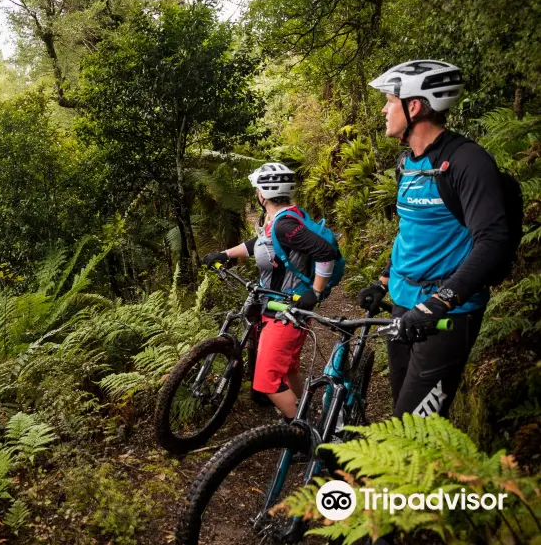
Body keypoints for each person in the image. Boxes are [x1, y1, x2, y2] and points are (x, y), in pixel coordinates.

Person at [357, 59, 509, 419]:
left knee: (413, 430)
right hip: (404, 307)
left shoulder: (467, 161)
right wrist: (383, 280)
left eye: (390, 100)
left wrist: (440, 302)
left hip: (446, 317)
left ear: (414, 106)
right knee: (403, 422)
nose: (383, 108)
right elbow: (411, 232)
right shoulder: (406, 163)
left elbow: (493, 241)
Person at [202, 163, 341, 422]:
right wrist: (226, 254)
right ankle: (309, 415)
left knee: (266, 382)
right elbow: (261, 243)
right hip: (282, 307)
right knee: (288, 369)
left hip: (287, 311)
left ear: (262, 195)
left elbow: (325, 252)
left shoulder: (284, 226)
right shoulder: (281, 219)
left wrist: (316, 292)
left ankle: (308, 434)